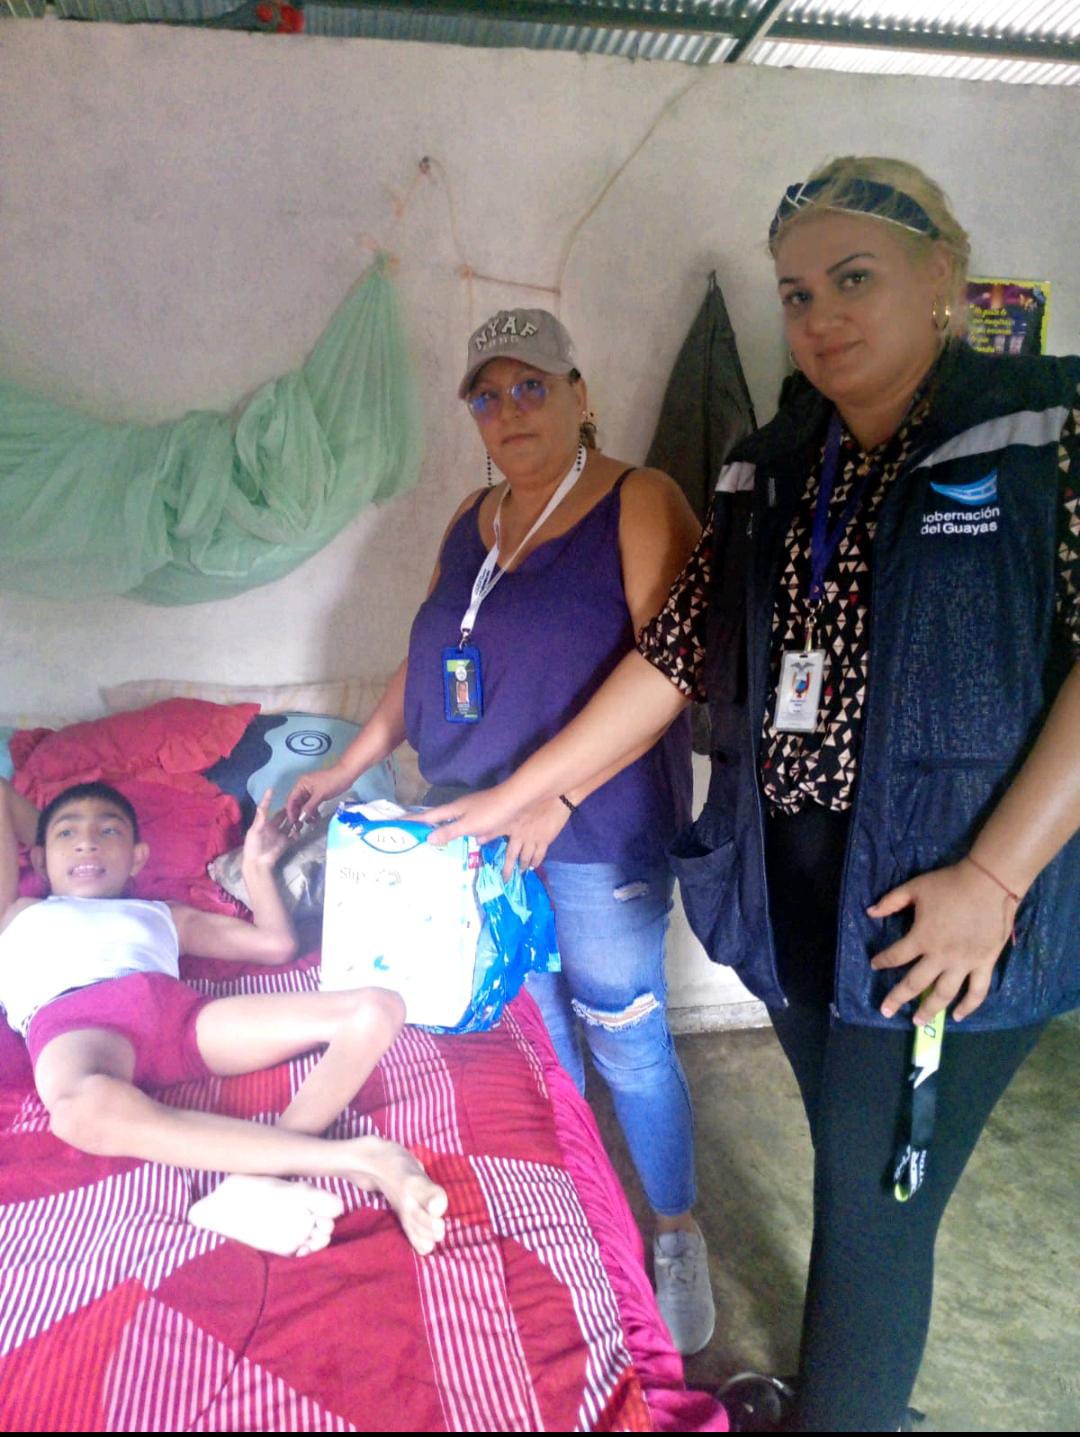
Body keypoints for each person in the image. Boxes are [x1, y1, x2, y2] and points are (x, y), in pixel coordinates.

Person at [421, 158, 1080, 1429]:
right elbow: (676, 652)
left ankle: (847, 1413)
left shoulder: (1044, 432)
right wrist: (524, 797)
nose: (820, 314)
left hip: (948, 898)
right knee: (859, 1172)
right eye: (796, 292)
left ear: (943, 277)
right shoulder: (772, 463)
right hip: (794, 888)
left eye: (853, 278)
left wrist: (997, 880)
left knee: (877, 1204)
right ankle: (849, 1400)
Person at [285, 307, 717, 1353]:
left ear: (578, 394)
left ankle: (675, 1228)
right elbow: (430, 658)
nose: (510, 411)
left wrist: (554, 796)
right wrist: (348, 760)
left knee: (625, 1033)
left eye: (533, 387)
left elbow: (671, 670)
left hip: (595, 828)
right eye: (488, 395)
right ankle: (585, 1215)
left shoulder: (640, 499)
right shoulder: (471, 520)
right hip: (473, 832)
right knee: (534, 1033)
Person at [0, 777, 448, 1259]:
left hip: (178, 1018)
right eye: (67, 833)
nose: (87, 841)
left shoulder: (164, 913)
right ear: (39, 859)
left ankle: (250, 1184)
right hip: (76, 1025)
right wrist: (57, 833)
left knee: (379, 1006)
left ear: (138, 858)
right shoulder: (15, 911)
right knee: (81, 1109)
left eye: (109, 831)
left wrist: (257, 866)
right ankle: (358, 1158)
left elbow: (276, 945)